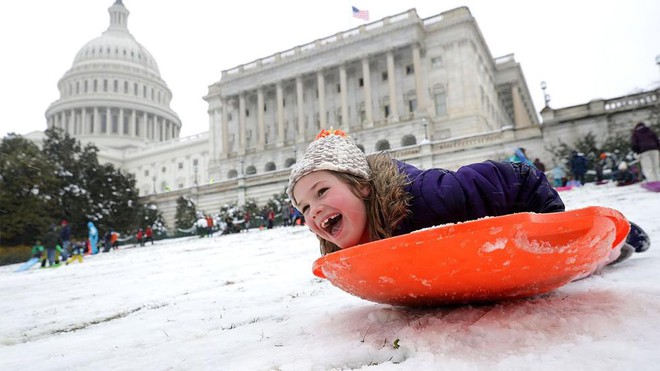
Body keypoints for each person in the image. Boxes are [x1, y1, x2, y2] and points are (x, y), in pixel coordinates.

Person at [286, 129, 648, 264]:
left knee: (561, 242)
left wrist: (553, 222)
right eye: (304, 207)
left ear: (363, 187)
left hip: (523, 200)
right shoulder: (348, 242)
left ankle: (614, 237)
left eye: (321, 192)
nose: (314, 209)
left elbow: (513, 177)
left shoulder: (431, 197)